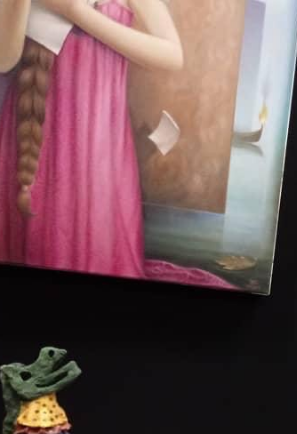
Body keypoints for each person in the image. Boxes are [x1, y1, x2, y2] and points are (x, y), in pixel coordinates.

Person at [0, 0, 233, 289]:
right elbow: (4, 60)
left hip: (97, 142)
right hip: (31, 138)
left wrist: (76, 13)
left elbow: (172, 55)